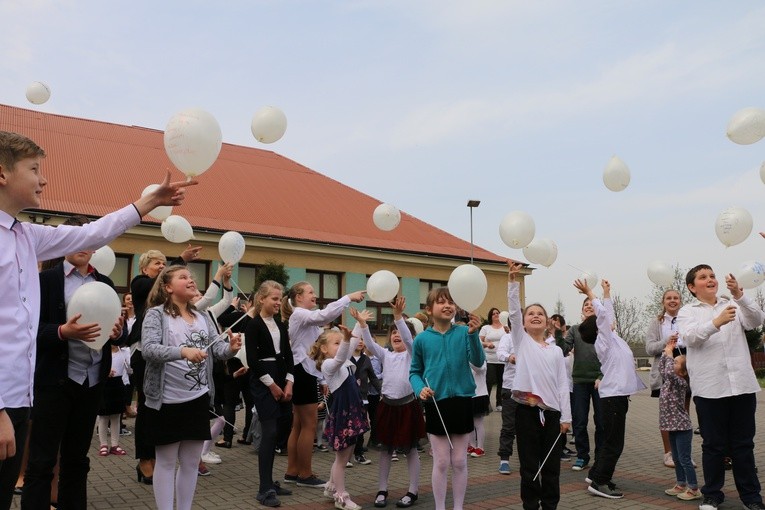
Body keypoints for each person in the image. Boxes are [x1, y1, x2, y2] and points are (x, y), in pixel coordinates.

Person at [0, 131, 192, 509]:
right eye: (34, 169)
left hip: (21, 400)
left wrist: (148, 202)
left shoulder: (26, 235)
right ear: (2, 174)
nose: (43, 179)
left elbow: (93, 232)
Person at [22, 219, 128, 510]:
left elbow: (117, 328)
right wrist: (61, 332)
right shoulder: (44, 281)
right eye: (74, 239)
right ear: (63, 244)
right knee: (42, 461)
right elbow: (28, 330)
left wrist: (118, 332)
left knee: (77, 461)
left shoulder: (104, 283)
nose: (82, 247)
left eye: (88, 241)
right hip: (54, 383)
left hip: (92, 383)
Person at [140, 265, 240, 510]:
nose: (191, 280)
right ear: (168, 287)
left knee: (191, 461)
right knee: (165, 462)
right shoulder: (156, 314)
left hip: (197, 397)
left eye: (192, 277)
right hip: (167, 399)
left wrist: (231, 348)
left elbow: (215, 351)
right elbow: (149, 349)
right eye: (183, 277)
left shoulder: (202, 316)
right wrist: (182, 352)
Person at [676, 264, 765, 510]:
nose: (710, 279)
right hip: (709, 389)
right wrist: (716, 322)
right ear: (692, 287)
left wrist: (740, 295)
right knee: (713, 446)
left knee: (743, 446)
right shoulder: (687, 311)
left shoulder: (733, 304)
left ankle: (752, 498)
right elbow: (690, 338)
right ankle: (713, 495)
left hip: (742, 387)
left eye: (712, 275)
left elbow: (756, 320)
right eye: (703, 277)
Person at [280, 282, 365, 488]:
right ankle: (305, 475)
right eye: (310, 292)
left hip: (303, 372)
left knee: (299, 424)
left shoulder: (301, 317)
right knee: (309, 425)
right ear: (298, 297)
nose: (315, 295)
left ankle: (293, 471)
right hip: (301, 372)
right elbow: (324, 316)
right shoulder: (300, 314)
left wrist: (321, 378)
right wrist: (348, 298)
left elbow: (315, 351)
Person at [129, 247, 201, 484]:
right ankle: (145, 459)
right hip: (145, 354)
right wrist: (179, 261)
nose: (161, 266)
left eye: (163, 263)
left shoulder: (175, 300)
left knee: (160, 410)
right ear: (144, 268)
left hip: (173, 356)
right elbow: (163, 281)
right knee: (148, 408)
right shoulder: (140, 283)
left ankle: (161, 458)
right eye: (156, 263)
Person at [409, 287, 484, 510]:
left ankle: (458, 507)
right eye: (441, 302)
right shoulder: (422, 339)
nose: (447, 305)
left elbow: (478, 362)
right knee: (441, 462)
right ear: (429, 309)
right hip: (436, 403)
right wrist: (420, 388)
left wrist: (473, 336)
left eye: (451, 301)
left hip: (462, 401)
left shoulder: (464, 333)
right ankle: (440, 507)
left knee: (460, 461)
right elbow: (414, 372)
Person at [507, 262, 571, 510]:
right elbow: (513, 311)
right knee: (530, 465)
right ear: (523, 323)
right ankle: (531, 505)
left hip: (553, 415)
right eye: (530, 313)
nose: (535, 316)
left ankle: (550, 504)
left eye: (540, 314)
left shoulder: (555, 351)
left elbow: (562, 384)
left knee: (551, 466)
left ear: (548, 323)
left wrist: (566, 416)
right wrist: (513, 282)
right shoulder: (522, 343)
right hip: (526, 412)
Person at [574, 278, 645, 500]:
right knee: (615, 444)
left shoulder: (612, 338)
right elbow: (604, 316)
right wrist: (590, 293)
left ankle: (596, 473)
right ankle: (600, 482)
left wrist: (606, 293)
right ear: (599, 329)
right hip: (613, 398)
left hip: (616, 397)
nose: (607, 320)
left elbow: (608, 315)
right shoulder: (603, 341)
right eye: (601, 322)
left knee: (609, 440)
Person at [351, 299, 425, 509]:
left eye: (399, 332)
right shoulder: (386, 355)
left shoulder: (412, 355)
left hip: (408, 407)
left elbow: (410, 341)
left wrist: (399, 318)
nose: (395, 335)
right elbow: (371, 345)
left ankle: (413, 490)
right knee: (385, 450)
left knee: (410, 450)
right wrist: (363, 325)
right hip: (387, 407)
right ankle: (382, 489)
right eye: (392, 332)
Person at [244, 281, 294, 508]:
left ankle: (271, 482)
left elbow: (289, 357)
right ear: (261, 299)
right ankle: (264, 488)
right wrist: (272, 385)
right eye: (274, 298)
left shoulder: (281, 326)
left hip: (282, 378)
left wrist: (289, 383)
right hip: (264, 380)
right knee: (270, 431)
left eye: (280, 298)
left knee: (282, 428)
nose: (278, 302)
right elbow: (253, 361)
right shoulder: (253, 325)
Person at [309, 325, 369, 510]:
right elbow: (344, 353)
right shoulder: (328, 364)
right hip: (344, 414)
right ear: (324, 349)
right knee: (342, 459)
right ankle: (341, 497)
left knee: (345, 455)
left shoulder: (341, 361)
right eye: (336, 343)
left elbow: (348, 348)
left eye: (340, 342)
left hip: (351, 411)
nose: (341, 345)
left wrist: (359, 323)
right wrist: (346, 338)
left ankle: (331, 486)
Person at [562, 295, 603, 472]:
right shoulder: (575, 330)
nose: (588, 306)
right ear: (582, 310)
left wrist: (602, 376)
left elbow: (611, 356)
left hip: (601, 382)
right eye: (585, 304)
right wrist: (557, 333)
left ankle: (601, 457)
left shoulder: (604, 329)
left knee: (601, 421)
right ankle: (582, 455)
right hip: (579, 381)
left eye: (592, 304)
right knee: (579, 420)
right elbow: (563, 350)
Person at [644, 289, 684, 468]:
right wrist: (666, 341)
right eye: (669, 298)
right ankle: (669, 453)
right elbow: (649, 349)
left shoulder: (687, 318)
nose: (672, 301)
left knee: (684, 414)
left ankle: (683, 453)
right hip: (664, 373)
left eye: (676, 298)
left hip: (684, 371)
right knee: (667, 415)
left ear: (680, 300)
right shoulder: (657, 322)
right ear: (663, 302)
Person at [659, 337, 700, 501]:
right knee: (676, 458)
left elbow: (668, 372)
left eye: (675, 363)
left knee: (684, 459)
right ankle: (681, 484)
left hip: (682, 428)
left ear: (683, 372)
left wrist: (670, 354)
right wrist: (666, 351)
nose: (671, 364)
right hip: (672, 427)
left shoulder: (680, 382)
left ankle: (694, 488)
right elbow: (664, 370)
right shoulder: (669, 381)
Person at [349, 332, 380, 466]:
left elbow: (373, 377)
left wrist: (382, 392)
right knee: (348, 427)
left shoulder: (366, 359)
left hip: (362, 398)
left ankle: (359, 454)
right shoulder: (345, 357)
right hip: (348, 398)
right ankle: (346, 456)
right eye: (357, 339)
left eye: (362, 339)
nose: (360, 342)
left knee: (360, 427)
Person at [96, 344, 132, 458]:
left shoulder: (125, 351)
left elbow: (130, 368)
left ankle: (115, 445)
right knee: (103, 416)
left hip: (118, 384)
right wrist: (104, 371)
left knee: (116, 416)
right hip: (104, 385)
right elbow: (95, 366)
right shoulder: (100, 351)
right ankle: (103, 444)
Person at [496, 326, 518, 476]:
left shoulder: (532, 339)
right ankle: (504, 459)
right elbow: (500, 353)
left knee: (528, 427)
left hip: (530, 389)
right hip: (510, 387)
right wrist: (509, 357)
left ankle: (530, 458)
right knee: (508, 426)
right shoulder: (508, 337)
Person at [479, 307, 507, 411]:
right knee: (489, 381)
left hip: (502, 359)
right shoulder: (486, 328)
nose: (496, 315)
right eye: (493, 313)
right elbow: (478, 341)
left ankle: (499, 403)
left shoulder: (505, 327)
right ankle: (486, 403)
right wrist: (486, 343)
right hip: (489, 358)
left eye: (497, 313)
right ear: (490, 316)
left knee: (501, 381)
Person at [467, 361, 489, 458]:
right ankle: (472, 445)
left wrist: (470, 361)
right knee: (469, 423)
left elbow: (480, 369)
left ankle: (480, 447)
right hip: (467, 395)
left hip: (479, 394)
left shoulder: (481, 358)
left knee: (478, 423)